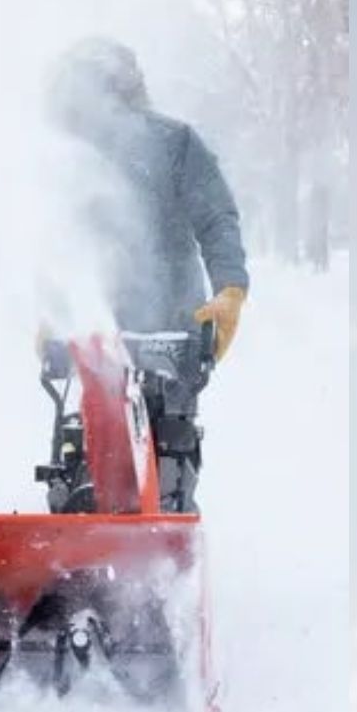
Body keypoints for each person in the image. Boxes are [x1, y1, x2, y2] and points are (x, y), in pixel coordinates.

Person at [44, 36, 250, 513]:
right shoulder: (71, 156)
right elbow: (54, 237)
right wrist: (49, 305)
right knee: (160, 443)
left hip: (170, 318)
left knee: (147, 436)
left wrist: (231, 288)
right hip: (115, 321)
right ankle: (151, 520)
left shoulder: (173, 144)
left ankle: (131, 531)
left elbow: (216, 219)